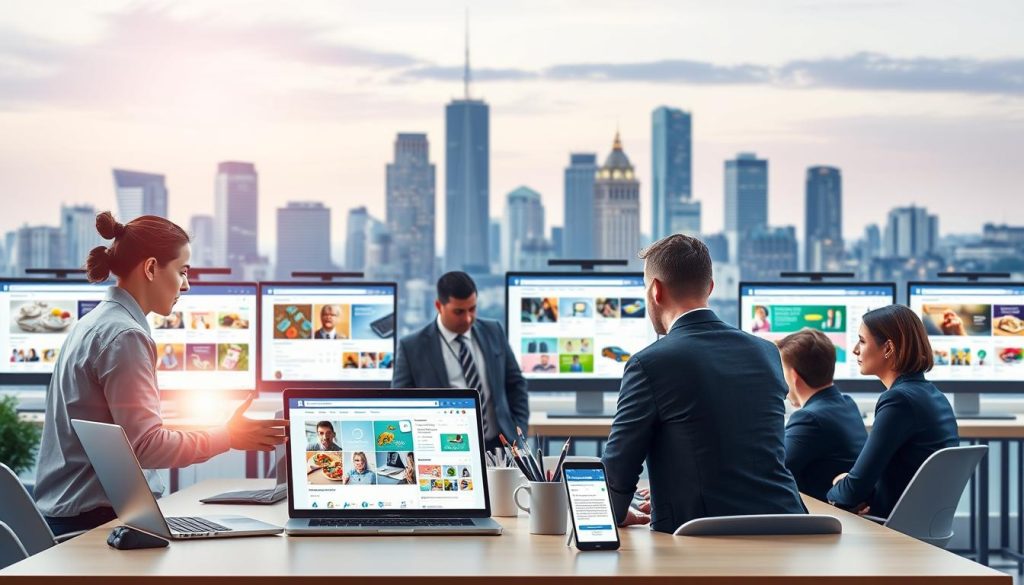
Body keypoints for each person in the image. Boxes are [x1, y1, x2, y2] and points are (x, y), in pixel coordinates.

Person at [34, 211, 288, 537]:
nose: (186, 284)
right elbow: (146, 446)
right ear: (151, 268)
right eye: (182, 272)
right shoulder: (125, 336)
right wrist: (228, 437)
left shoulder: (93, 323)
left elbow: (131, 437)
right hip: (99, 525)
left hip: (76, 518)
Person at [601, 234, 804, 533]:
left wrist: (613, 513)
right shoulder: (767, 352)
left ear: (655, 291)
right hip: (789, 529)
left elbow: (618, 472)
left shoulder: (650, 363)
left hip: (703, 537)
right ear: (710, 287)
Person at [826, 305, 959, 518]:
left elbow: (852, 490)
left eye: (862, 340)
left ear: (888, 348)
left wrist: (838, 486)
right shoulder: (934, 396)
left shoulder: (899, 400)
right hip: (918, 524)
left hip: (895, 531)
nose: (854, 350)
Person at [392, 271, 529, 451]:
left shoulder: (493, 331)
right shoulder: (412, 347)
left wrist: (518, 431)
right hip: (447, 448)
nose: (467, 318)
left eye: (472, 309)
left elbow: (516, 384)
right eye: (459, 312)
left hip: (501, 445)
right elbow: (401, 405)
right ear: (439, 306)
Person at [777, 329, 867, 502]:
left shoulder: (810, 419)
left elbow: (772, 470)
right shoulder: (847, 404)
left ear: (793, 376)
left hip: (821, 518)